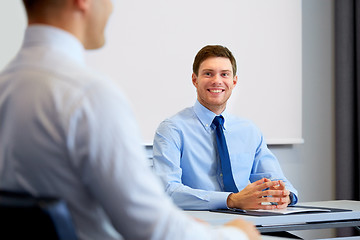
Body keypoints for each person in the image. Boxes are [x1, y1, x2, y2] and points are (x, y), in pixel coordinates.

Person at [0, 1, 261, 240]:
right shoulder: (89, 97)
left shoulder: (7, 86)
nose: (111, 8)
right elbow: (150, 228)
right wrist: (237, 235)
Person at [153, 45, 299, 211]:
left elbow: (277, 180)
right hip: (199, 225)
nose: (217, 80)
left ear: (234, 81)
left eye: (224, 74)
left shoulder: (249, 130)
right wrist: (231, 200)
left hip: (249, 222)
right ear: (195, 80)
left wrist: (285, 195)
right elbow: (167, 191)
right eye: (208, 73)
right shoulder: (172, 129)